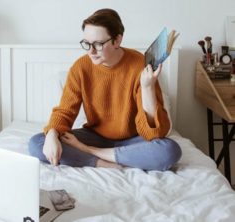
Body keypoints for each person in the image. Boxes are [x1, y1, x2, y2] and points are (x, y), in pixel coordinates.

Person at [28, 8, 181, 170]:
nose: (91, 51)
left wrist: (147, 87)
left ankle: (92, 153)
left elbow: (154, 134)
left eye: (98, 44)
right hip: (95, 136)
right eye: (87, 44)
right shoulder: (81, 67)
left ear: (117, 40)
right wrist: (52, 133)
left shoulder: (139, 65)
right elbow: (64, 112)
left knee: (169, 150)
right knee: (37, 143)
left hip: (133, 139)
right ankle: (103, 162)